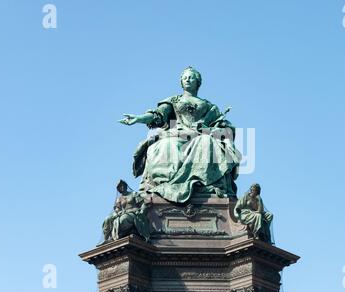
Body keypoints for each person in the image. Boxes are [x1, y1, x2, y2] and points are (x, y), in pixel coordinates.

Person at [119, 67, 241, 203]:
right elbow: (157, 115)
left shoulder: (208, 106)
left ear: (198, 82)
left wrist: (214, 129)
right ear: (181, 82)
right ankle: (167, 185)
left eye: (191, 77)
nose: (187, 79)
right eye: (184, 77)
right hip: (177, 134)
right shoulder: (174, 101)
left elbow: (223, 125)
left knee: (206, 142)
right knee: (166, 145)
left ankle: (201, 183)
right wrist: (139, 118)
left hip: (200, 135)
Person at [100, 180, 150, 245]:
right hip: (123, 213)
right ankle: (107, 239)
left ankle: (118, 236)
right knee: (107, 219)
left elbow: (143, 204)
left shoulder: (133, 194)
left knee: (123, 219)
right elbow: (117, 210)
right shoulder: (119, 199)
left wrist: (141, 213)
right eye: (120, 186)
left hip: (133, 213)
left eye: (123, 185)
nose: (122, 187)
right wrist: (116, 214)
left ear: (126, 186)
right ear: (118, 189)